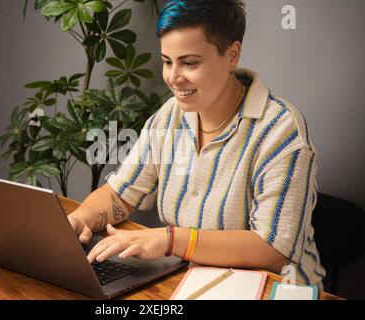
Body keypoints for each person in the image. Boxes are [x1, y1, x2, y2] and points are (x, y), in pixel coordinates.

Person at [68, 0, 326, 289]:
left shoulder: (281, 130)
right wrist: (79, 219)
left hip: (277, 288)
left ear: (232, 55)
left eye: (189, 63)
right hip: (193, 279)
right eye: (167, 62)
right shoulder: (169, 116)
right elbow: (121, 194)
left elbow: (274, 249)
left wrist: (170, 240)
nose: (173, 78)